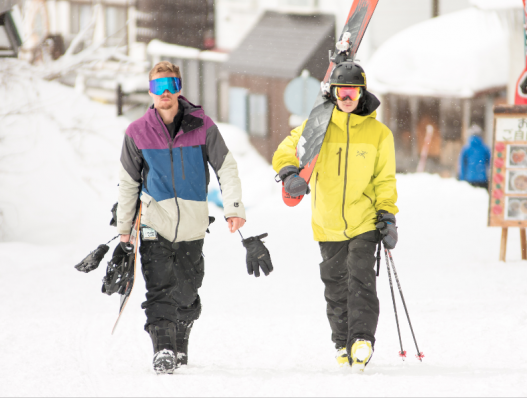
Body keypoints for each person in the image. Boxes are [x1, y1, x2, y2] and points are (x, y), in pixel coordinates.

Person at [116, 61, 252, 374]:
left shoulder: (202, 126)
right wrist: (126, 229)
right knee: (159, 287)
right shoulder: (137, 132)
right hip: (154, 224)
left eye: (171, 86)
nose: (165, 94)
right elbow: (128, 182)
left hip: (193, 225)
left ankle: (180, 340)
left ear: (179, 89)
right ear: (150, 92)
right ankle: (163, 348)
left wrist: (233, 207)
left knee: (188, 291)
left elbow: (226, 167)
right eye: (158, 87)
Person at [272, 60, 398, 372]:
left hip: (363, 220)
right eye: (342, 90)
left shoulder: (379, 134)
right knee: (336, 286)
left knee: (361, 279)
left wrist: (387, 216)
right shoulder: (317, 126)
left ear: (361, 92)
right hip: (326, 222)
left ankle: (362, 339)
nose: (347, 97)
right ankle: (342, 341)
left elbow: (385, 180)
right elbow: (285, 151)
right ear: (333, 92)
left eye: (353, 91)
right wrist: (290, 175)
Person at [458, 124, 491, 189]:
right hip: (483, 179)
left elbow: (462, 164)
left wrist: (461, 178)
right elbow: (490, 163)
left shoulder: (466, 149)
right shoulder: (485, 148)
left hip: (469, 178)